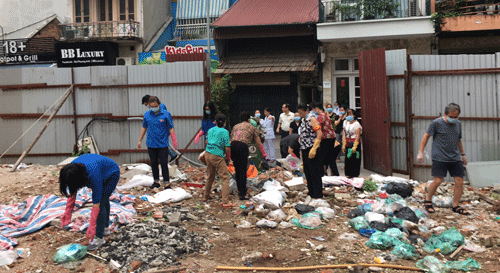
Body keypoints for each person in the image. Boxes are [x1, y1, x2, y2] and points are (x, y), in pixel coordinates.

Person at [59, 154, 120, 250]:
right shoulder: (71, 170)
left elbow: (97, 204)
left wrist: (93, 224)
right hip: (100, 170)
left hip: (112, 173)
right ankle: (105, 228)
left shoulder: (93, 176)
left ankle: (100, 238)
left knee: (102, 201)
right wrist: (68, 210)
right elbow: (72, 187)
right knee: (104, 200)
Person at [417, 103, 469, 215]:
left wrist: (463, 154)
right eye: (451, 116)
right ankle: (428, 200)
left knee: (459, 181)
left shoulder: (458, 124)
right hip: (439, 157)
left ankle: (455, 205)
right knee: (438, 180)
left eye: (456, 117)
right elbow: (426, 136)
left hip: (455, 157)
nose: (453, 119)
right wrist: (420, 152)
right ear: (445, 114)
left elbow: (458, 140)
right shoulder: (436, 123)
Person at [137, 96, 178, 189]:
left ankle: (167, 183)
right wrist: (140, 140)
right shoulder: (147, 114)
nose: (154, 108)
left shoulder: (166, 114)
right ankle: (156, 182)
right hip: (151, 143)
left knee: (164, 163)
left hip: (162, 144)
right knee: (154, 163)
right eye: (152, 106)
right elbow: (144, 128)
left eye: (155, 106)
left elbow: (171, 127)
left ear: (159, 104)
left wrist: (174, 139)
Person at [231, 112, 268, 200]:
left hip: (233, 146)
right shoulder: (252, 127)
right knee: (243, 170)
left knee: (237, 169)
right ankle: (242, 194)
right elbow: (258, 142)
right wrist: (263, 153)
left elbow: (232, 138)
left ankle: (239, 190)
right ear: (248, 120)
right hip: (242, 146)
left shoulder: (235, 126)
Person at [203, 113, 235, 208]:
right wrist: (227, 158)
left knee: (211, 176)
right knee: (225, 177)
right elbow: (227, 148)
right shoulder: (225, 132)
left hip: (208, 154)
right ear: (225, 122)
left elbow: (207, 142)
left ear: (215, 122)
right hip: (217, 155)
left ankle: (206, 196)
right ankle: (225, 202)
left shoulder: (211, 130)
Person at [297, 103, 323, 199]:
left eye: (302, 113)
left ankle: (317, 194)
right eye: (299, 113)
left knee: (314, 172)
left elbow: (319, 133)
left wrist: (314, 148)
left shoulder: (312, 119)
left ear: (307, 111)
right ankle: (311, 192)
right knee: (307, 172)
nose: (301, 115)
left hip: (311, 149)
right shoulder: (304, 120)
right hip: (304, 148)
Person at [141, 94, 178, 162]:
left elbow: (164, 119)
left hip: (162, 130)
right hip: (155, 133)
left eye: (146, 104)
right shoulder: (148, 113)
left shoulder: (161, 107)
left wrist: (174, 139)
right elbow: (144, 126)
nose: (148, 107)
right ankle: (169, 156)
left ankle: (172, 155)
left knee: (162, 145)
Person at [311, 102, 339, 176]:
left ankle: (322, 174)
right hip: (331, 137)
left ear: (316, 108)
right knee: (330, 158)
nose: (313, 111)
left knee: (322, 158)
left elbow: (318, 127)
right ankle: (333, 174)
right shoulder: (325, 114)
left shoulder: (320, 116)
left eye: (313, 109)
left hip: (326, 138)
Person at [342, 109, 362, 178]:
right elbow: (344, 133)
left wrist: (355, 146)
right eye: (347, 114)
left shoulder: (356, 124)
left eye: (350, 114)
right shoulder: (346, 123)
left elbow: (358, 135)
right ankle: (348, 174)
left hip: (355, 144)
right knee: (348, 159)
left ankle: (355, 175)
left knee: (355, 160)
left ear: (354, 115)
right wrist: (344, 144)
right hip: (348, 143)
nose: (348, 116)